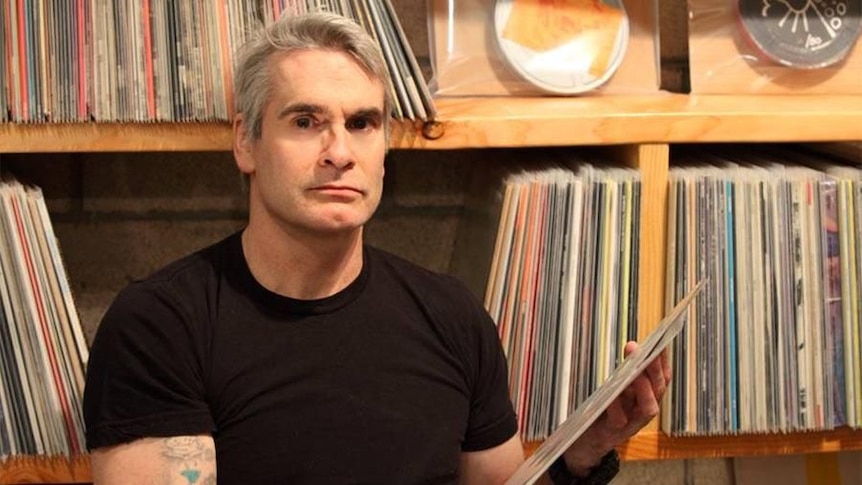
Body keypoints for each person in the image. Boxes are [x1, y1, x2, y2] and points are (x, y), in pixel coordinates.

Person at [82, 10, 669, 485]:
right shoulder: (161, 325)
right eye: (306, 122)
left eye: (362, 123)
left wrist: (583, 454)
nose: (340, 151)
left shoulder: (451, 316)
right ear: (246, 142)